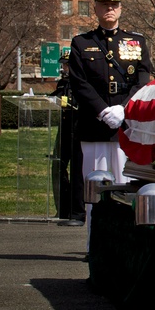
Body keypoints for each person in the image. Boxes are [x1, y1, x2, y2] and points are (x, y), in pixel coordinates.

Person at [68, 0, 153, 244]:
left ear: (120, 9)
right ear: (95, 8)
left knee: (126, 187)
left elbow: (143, 78)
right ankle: (96, 244)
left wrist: (124, 108)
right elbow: (78, 82)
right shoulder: (82, 43)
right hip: (94, 127)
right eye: (104, 4)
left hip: (125, 127)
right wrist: (103, 111)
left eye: (114, 4)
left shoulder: (136, 42)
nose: (109, 9)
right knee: (96, 189)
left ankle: (126, 244)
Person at [50, 51, 84, 224]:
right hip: (64, 129)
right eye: (63, 65)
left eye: (66, 65)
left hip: (78, 129)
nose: (64, 68)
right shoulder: (63, 83)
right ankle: (62, 209)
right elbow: (55, 98)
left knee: (78, 171)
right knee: (57, 166)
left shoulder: (83, 82)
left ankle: (76, 209)